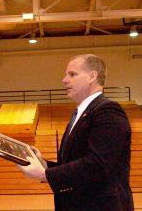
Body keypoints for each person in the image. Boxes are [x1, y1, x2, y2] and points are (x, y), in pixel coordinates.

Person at [18, 54, 134, 211]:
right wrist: (45, 165)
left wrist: (45, 175)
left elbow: (98, 164)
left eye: (72, 74)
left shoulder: (108, 111)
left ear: (92, 76)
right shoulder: (80, 113)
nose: (64, 80)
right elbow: (77, 162)